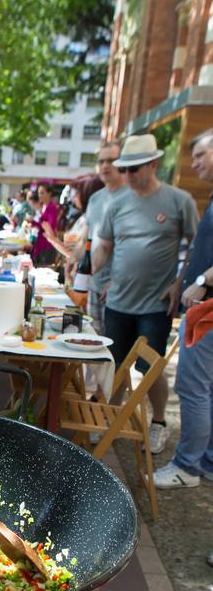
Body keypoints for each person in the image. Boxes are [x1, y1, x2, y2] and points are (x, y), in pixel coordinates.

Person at [92, 133, 198, 454]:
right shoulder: (117, 203)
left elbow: (196, 246)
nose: (127, 176)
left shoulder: (179, 201)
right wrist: (91, 270)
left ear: (153, 164)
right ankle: (111, 419)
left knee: (149, 370)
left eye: (134, 169)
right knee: (116, 365)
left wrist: (181, 281)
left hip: (156, 304)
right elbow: (107, 247)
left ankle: (159, 423)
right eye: (124, 170)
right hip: (118, 301)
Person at [154, 128, 213, 487]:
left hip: (207, 310)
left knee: (192, 387)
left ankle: (187, 466)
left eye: (201, 156)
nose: (194, 164)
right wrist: (182, 281)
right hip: (201, 308)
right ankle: (204, 462)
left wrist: (203, 280)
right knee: (205, 388)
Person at [69, 143, 129, 333]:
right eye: (101, 161)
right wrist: (73, 259)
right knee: (93, 337)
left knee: (112, 347)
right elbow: (85, 237)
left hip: (119, 287)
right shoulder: (96, 198)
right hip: (94, 283)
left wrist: (118, 280)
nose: (105, 165)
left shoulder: (132, 197)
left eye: (111, 160)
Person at [31, 182, 60, 266]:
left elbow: (49, 227)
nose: (39, 195)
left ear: (49, 193)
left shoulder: (52, 207)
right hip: (41, 242)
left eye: (42, 193)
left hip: (47, 244)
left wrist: (33, 222)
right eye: (39, 193)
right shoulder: (44, 206)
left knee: (44, 269)